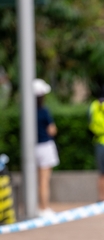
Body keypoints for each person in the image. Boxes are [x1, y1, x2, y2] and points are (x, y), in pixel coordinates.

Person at [34, 78, 59, 218]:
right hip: (45, 146)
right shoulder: (44, 111)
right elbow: (52, 130)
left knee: (36, 180)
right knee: (44, 180)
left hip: (31, 148)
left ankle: (37, 207)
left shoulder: (27, 111)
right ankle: (43, 208)